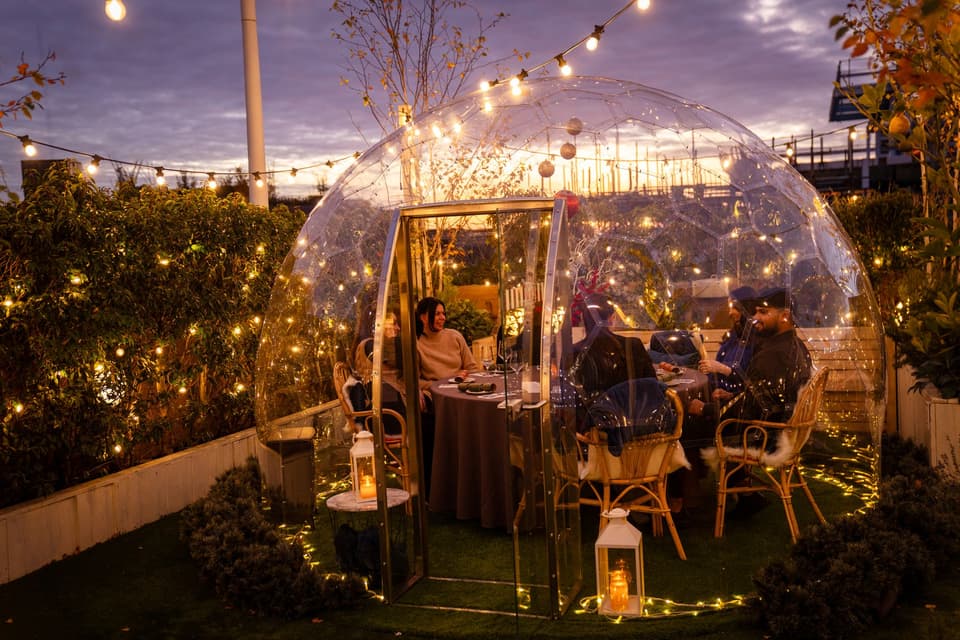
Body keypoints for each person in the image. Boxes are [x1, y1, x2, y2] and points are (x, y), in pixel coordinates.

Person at [692, 286, 812, 516]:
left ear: (785, 316)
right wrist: (734, 395)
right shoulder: (793, 346)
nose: (755, 319)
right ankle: (746, 493)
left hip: (765, 435)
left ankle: (685, 501)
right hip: (783, 428)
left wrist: (705, 409)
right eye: (755, 312)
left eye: (763, 313)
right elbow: (764, 396)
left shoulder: (772, 355)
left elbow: (752, 409)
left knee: (691, 424)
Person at [566, 294, 657, 434]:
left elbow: (571, 404)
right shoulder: (634, 346)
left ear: (584, 320)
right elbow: (652, 388)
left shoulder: (573, 353)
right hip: (641, 432)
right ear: (612, 318)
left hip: (598, 437)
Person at [695, 286, 758, 415]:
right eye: (730, 307)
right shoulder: (733, 338)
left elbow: (751, 382)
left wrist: (722, 369)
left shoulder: (757, 342)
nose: (730, 313)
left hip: (733, 410)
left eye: (735, 308)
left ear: (746, 309)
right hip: (719, 397)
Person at [352, 311, 406, 434]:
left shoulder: (372, 345)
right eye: (394, 324)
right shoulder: (371, 346)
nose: (397, 328)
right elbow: (401, 363)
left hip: (386, 410)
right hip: (384, 417)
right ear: (381, 325)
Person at [415, 296, 480, 392]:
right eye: (437, 314)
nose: (443, 318)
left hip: (463, 390)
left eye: (443, 314)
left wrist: (466, 378)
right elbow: (414, 381)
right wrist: (441, 384)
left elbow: (472, 368)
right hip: (439, 394)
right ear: (423, 318)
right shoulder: (417, 344)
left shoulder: (455, 336)